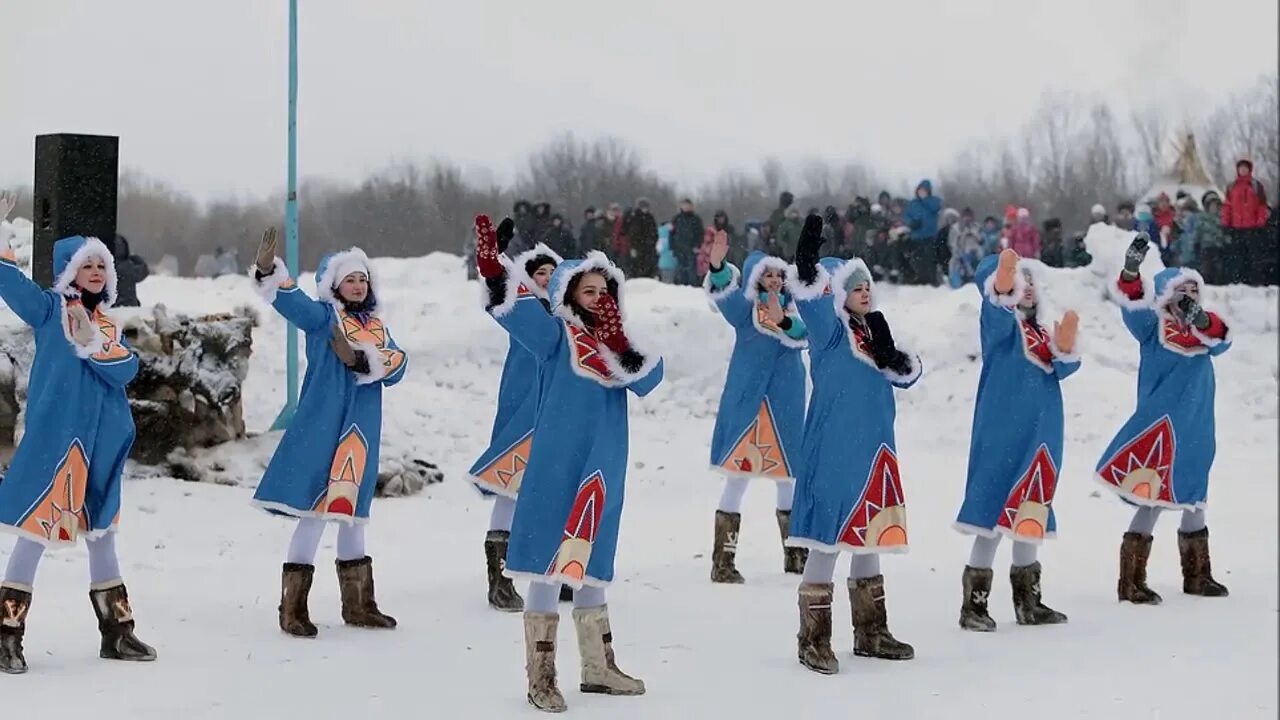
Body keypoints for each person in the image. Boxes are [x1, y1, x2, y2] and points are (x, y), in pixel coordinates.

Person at [474, 216, 663, 713]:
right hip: (558, 460)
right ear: (570, 293)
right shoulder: (555, 335)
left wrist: (621, 346)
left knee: (593, 560)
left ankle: (598, 667)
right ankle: (542, 675)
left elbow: (648, 380)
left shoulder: (616, 342)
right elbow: (512, 311)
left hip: (604, 463)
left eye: (605, 289)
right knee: (545, 561)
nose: (598, 296)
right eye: (588, 289)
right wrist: (495, 270)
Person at [0, 192, 156, 674]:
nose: (96, 273)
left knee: (102, 535)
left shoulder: (107, 325)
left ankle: (118, 633)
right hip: (60, 444)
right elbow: (10, 283)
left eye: (101, 267)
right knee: (34, 533)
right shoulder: (49, 310)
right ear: (69, 270)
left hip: (102, 447)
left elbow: (127, 370)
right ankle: (7, 635)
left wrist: (93, 344)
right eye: (87, 266)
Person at [249, 229, 409, 638]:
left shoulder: (375, 325)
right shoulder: (324, 318)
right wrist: (269, 271)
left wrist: (364, 360)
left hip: (362, 427)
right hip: (325, 424)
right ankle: (293, 608)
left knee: (353, 512)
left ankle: (359, 604)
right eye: (349, 280)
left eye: (362, 279)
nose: (357, 286)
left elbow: (397, 364)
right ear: (334, 285)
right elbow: (292, 302)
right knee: (315, 511)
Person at [786, 215, 923, 674]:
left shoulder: (874, 332)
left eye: (869, 285)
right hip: (834, 447)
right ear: (839, 294)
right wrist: (806, 266)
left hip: (875, 448)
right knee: (829, 535)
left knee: (869, 533)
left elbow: (907, 375)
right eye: (856, 286)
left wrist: (892, 355)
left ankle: (871, 631)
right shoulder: (830, 334)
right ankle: (814, 638)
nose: (865, 291)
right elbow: (811, 303)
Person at [1097, 233, 1231, 605]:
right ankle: (1131, 580)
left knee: (1194, 496)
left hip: (1197, 425)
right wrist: (1130, 270)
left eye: (1194, 289)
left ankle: (1198, 574)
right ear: (1167, 294)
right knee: (1152, 496)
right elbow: (1131, 303)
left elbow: (1224, 339)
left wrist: (1201, 319)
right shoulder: (1152, 328)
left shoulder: (1205, 333)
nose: (1189, 295)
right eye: (1182, 290)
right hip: (1162, 426)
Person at [955, 249, 1079, 632]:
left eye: (1028, 279)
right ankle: (973, 605)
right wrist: (1002, 281)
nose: (1025, 287)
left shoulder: (1040, 331)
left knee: (1031, 510)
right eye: (1015, 280)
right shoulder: (1000, 327)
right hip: (1004, 430)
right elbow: (996, 303)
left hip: (1041, 433)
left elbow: (1062, 370)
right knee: (993, 510)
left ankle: (1030, 601)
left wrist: (1066, 346)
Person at [702, 232, 809, 583]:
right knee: (738, 477)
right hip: (750, 405)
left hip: (785, 407)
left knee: (788, 478)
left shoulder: (795, 313)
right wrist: (717, 265)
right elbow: (725, 295)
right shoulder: (746, 312)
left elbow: (805, 335)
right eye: (768, 275)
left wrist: (784, 320)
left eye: (779, 275)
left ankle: (796, 556)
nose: (775, 280)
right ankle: (723, 561)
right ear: (757, 279)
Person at [469, 223, 564, 612]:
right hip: (522, 409)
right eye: (538, 273)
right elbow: (501, 291)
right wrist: (496, 259)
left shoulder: (570, 316)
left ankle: (559, 568)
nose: (545, 279)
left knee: (558, 491)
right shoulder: (523, 309)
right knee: (510, 488)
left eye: (551, 274)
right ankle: (501, 579)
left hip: (557, 412)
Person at [1220, 159, 1271, 285]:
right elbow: (1227, 205)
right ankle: (1238, 281)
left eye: (1245, 168)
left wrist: (1260, 222)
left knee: (1253, 256)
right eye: (1241, 168)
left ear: (1249, 170)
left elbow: (1262, 206)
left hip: (1252, 227)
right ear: (1237, 170)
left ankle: (1255, 282)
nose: (1243, 170)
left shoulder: (1256, 185)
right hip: (1236, 227)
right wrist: (1225, 222)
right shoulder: (1232, 186)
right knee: (1237, 255)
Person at [902, 180, 942, 285]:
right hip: (916, 236)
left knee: (930, 258)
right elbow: (906, 216)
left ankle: (932, 279)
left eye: (924, 190)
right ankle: (920, 278)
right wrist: (911, 223)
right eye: (920, 190)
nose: (922, 192)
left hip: (930, 235)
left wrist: (925, 200)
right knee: (917, 258)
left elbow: (936, 208)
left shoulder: (933, 201)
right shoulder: (913, 203)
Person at [1194, 191, 1230, 283]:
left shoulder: (1222, 218)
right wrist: (1196, 242)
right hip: (1206, 246)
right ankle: (1207, 282)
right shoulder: (1202, 218)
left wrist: (1227, 240)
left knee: (1218, 267)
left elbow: (1225, 232)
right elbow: (1198, 231)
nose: (1213, 207)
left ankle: (1217, 282)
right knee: (1207, 266)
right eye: (1211, 205)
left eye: (1215, 205)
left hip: (1218, 246)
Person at [670, 199, 704, 286]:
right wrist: (672, 247)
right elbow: (671, 234)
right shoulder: (676, 219)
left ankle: (692, 286)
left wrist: (697, 245)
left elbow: (700, 234)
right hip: (679, 248)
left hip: (691, 248)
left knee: (691, 269)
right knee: (680, 269)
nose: (686, 207)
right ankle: (680, 286)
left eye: (688, 205)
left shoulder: (696, 219)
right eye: (684, 205)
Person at [110, 234, 149, 307]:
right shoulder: (130, 266)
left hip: (109, 308)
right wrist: (136, 259)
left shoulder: (103, 266)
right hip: (129, 306)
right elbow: (144, 271)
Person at [625, 199, 660, 279]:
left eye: (646, 207)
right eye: (643, 207)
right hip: (638, 246)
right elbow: (632, 233)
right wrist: (633, 246)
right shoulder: (634, 217)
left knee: (648, 265)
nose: (645, 209)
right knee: (637, 265)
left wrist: (652, 242)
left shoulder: (650, 217)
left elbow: (654, 233)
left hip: (649, 247)